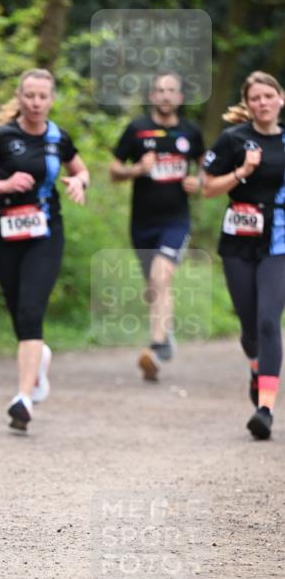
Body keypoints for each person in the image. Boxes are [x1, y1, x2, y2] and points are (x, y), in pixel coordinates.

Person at [0, 68, 89, 431]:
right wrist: (4, 183)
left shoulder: (58, 138)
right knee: (19, 310)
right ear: (19, 97)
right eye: (29, 95)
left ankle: (23, 397)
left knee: (32, 309)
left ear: (51, 99)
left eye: (42, 96)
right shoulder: (1, 137)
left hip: (46, 235)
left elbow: (83, 171)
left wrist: (79, 181)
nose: (35, 102)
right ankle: (39, 362)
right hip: (5, 235)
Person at [202, 71, 285, 440]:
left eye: (269, 96)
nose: (263, 103)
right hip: (238, 240)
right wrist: (242, 171)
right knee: (250, 327)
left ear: (281, 99)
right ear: (247, 104)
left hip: (279, 242)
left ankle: (265, 409)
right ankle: (256, 366)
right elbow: (207, 188)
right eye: (256, 98)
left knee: (269, 321)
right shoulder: (233, 140)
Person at [110, 73, 205, 380]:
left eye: (171, 91)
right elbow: (114, 170)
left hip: (176, 221)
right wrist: (137, 169)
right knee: (155, 287)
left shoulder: (190, 131)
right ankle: (164, 338)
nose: (165, 96)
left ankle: (158, 345)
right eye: (160, 90)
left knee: (160, 276)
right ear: (152, 96)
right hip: (142, 223)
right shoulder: (137, 130)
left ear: (179, 97)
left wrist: (200, 180)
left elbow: (207, 164)